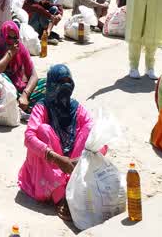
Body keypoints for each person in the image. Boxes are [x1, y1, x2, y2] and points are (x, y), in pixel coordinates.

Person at [18, 64, 103, 221]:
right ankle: (60, 195)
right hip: (49, 163)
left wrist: (80, 159)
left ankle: (73, 188)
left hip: (72, 163)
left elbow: (101, 139)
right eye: (61, 82)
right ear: (52, 85)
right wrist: (56, 158)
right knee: (43, 131)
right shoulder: (42, 107)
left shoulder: (75, 108)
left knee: (91, 129)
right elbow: (29, 137)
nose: (65, 86)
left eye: (68, 82)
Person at [0, 21, 45, 113]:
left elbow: (33, 75)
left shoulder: (20, 47)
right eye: (9, 37)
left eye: (15, 38)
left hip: (20, 90)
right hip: (3, 92)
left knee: (50, 83)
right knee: (0, 78)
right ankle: (21, 106)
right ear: (3, 37)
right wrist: (10, 54)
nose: (12, 41)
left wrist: (25, 94)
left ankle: (22, 104)